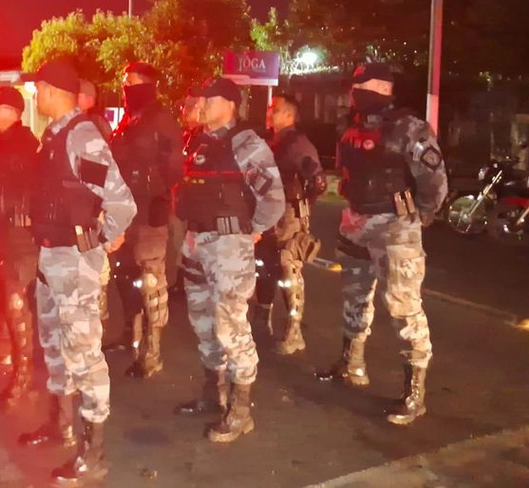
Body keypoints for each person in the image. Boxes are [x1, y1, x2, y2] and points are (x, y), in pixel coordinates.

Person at [18, 59, 136, 485]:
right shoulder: (53, 137)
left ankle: (94, 452)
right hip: (51, 260)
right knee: (55, 346)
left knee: (85, 357)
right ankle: (59, 424)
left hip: (75, 261)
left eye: (38, 90)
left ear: (52, 91)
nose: (35, 96)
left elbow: (121, 202)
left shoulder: (81, 138)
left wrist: (97, 240)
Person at [316, 62, 447, 426]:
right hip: (355, 221)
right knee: (354, 296)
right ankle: (352, 364)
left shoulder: (409, 127)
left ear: (385, 87)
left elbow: (434, 181)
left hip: (395, 226)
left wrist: (418, 217)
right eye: (357, 85)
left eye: (365, 84)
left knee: (404, 309)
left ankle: (414, 393)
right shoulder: (350, 126)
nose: (358, 91)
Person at [173, 76, 285, 444]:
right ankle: (213, 394)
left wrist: (249, 232)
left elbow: (273, 198)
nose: (201, 104)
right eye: (201, 98)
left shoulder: (247, 144)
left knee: (231, 328)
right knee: (203, 324)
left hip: (228, 248)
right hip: (197, 243)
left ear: (230, 105)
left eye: (209, 99)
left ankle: (240, 412)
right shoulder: (198, 142)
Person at [105, 62, 183, 379]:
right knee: (126, 279)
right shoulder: (129, 120)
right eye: (124, 80)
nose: (126, 86)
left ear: (148, 84)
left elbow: (175, 167)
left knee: (152, 283)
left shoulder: (160, 120)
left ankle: (152, 353)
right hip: (125, 214)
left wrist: (158, 195)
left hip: (150, 213)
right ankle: (130, 335)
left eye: (132, 81)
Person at [0, 86, 41, 408]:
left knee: (16, 303)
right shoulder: (0, 144)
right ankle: (2, 352)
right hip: (2, 233)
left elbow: (22, 194)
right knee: (4, 297)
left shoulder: (22, 146)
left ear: (11, 112)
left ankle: (23, 378)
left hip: (18, 237)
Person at [250, 93, 326, 355]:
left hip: (288, 216)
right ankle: (261, 322)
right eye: (270, 108)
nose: (270, 113)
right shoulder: (270, 142)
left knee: (287, 268)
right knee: (264, 267)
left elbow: (318, 182)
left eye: (276, 109)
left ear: (290, 116)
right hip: (266, 215)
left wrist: (301, 208)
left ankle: (294, 331)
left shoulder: (297, 144)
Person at [167, 86, 204, 296]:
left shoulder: (206, 137)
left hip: (197, 201)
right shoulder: (187, 135)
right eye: (185, 106)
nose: (185, 111)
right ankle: (183, 278)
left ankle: (191, 280)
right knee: (178, 238)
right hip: (181, 197)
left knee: (191, 240)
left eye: (190, 107)